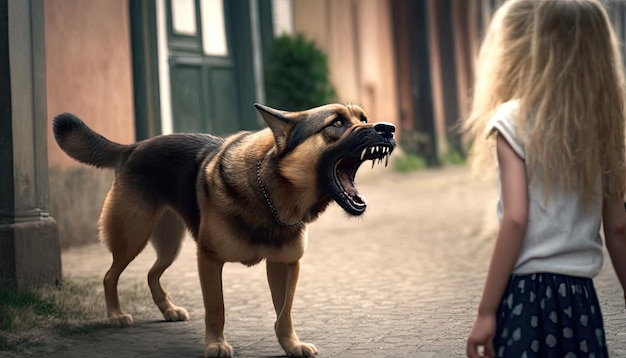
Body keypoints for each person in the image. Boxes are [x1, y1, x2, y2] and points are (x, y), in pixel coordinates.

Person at [464, 0, 626, 357]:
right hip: (582, 300)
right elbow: (617, 229)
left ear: (527, 45)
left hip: (527, 296)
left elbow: (516, 218)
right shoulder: (602, 124)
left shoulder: (512, 119)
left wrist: (485, 312)